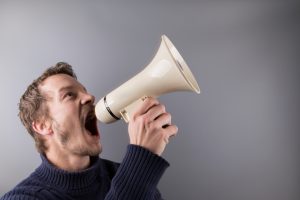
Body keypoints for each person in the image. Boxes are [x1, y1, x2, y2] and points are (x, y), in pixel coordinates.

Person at [1, 62, 178, 200]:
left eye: (85, 92)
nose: (90, 97)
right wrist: (141, 161)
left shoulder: (124, 175)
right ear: (42, 125)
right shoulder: (23, 197)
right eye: (69, 95)